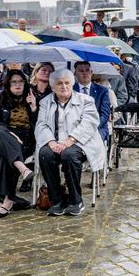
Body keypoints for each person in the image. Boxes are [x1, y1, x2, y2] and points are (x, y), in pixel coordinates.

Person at [35, 69, 106, 217]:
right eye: (59, 83)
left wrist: (70, 140)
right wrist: (51, 142)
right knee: (45, 154)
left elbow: (89, 123)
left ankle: (76, 201)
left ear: (72, 84)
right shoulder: (45, 102)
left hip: (81, 142)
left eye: (67, 83)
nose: (64, 86)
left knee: (69, 155)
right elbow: (41, 124)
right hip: (55, 142)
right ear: (52, 86)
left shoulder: (86, 100)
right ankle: (57, 200)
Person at [0, 69, 38, 218]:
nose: (18, 85)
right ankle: (22, 168)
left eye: (21, 81)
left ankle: (7, 201)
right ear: (8, 84)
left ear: (25, 83)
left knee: (7, 156)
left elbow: (38, 126)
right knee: (4, 137)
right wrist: (9, 133)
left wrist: (33, 108)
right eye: (14, 82)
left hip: (23, 140)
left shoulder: (32, 98)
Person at [73, 61, 112, 144]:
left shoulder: (102, 91)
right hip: (75, 128)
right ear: (75, 73)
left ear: (91, 72)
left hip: (97, 127)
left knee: (94, 143)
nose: (85, 73)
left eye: (87, 70)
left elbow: (104, 115)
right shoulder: (71, 90)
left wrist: (90, 127)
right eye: (81, 71)